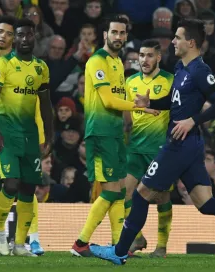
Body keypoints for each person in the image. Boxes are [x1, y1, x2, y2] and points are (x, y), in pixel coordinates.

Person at [90, 18, 215, 265]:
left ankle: (119, 252)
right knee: (206, 204)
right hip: (189, 145)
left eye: (178, 37)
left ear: (191, 42)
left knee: (140, 195)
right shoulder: (182, 69)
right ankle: (121, 249)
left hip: (179, 144)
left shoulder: (199, 70)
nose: (173, 41)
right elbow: (174, 104)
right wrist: (149, 103)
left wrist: (193, 120)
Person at [70, 15, 159, 257]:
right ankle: (80, 243)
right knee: (110, 191)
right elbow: (109, 100)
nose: (118, 37)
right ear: (105, 35)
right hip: (100, 132)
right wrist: (140, 107)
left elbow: (118, 100)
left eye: (122, 33)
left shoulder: (118, 63)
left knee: (119, 191)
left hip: (115, 133)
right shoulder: (97, 61)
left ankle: (119, 246)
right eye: (114, 32)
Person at [0, 18, 53, 257]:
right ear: (14, 39)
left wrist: (50, 135)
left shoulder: (41, 68)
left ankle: (18, 244)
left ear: (34, 37)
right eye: (20, 35)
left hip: (30, 134)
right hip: (7, 132)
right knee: (11, 183)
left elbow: (46, 106)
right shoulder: (3, 65)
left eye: (29, 35)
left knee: (28, 187)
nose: (25, 39)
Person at [124, 39, 174, 257]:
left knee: (161, 199)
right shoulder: (130, 82)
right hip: (134, 147)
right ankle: (138, 237)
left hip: (160, 149)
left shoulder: (170, 81)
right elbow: (126, 115)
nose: (144, 60)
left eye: (149, 56)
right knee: (124, 194)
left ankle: (162, 246)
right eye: (141, 56)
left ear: (159, 57)